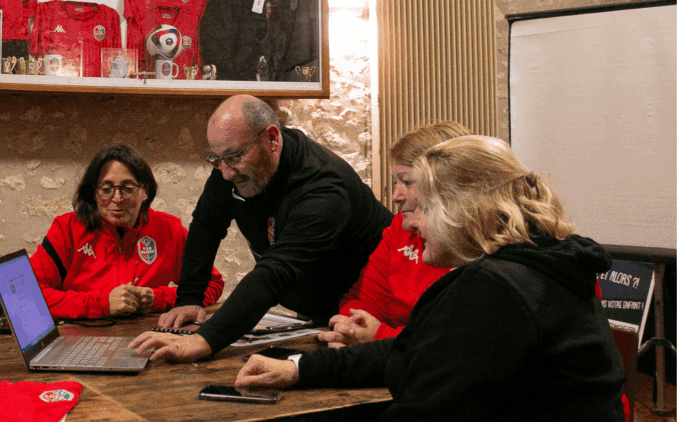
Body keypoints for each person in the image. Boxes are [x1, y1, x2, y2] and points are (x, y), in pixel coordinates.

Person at [236, 135, 626, 422]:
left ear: (462, 210)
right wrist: (299, 368)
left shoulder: (496, 288)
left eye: (426, 208)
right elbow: (416, 347)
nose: (415, 223)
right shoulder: (539, 264)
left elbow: (428, 410)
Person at [129, 95, 393, 362]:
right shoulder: (232, 165)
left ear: (272, 139)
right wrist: (189, 297)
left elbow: (276, 271)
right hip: (315, 308)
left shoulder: (322, 188)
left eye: (234, 156)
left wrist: (204, 340)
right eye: (217, 159)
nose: (225, 172)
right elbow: (207, 225)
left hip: (369, 312)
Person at [30, 144, 224, 319]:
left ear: (145, 191)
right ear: (93, 192)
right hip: (79, 338)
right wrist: (104, 304)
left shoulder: (168, 229)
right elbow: (30, 296)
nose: (117, 198)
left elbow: (211, 284)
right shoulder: (67, 229)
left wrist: (158, 298)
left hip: (147, 337)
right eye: (106, 189)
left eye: (128, 188)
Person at [321, 121, 469, 348]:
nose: (396, 196)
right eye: (396, 182)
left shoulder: (476, 244)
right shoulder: (400, 226)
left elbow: (450, 343)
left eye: (408, 182)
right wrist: (351, 329)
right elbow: (364, 300)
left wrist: (379, 336)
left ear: (444, 184)